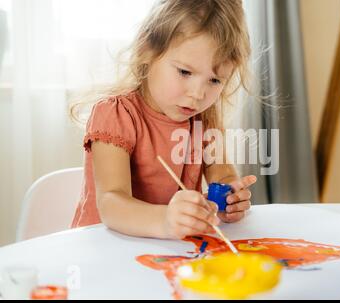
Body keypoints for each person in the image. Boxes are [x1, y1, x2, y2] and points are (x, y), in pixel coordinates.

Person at [70, 0, 257, 239]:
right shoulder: (115, 114)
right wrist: (165, 221)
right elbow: (111, 203)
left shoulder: (203, 118)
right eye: (185, 72)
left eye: (214, 80)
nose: (198, 94)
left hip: (168, 252)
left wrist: (231, 197)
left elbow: (221, 174)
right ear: (147, 49)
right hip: (105, 249)